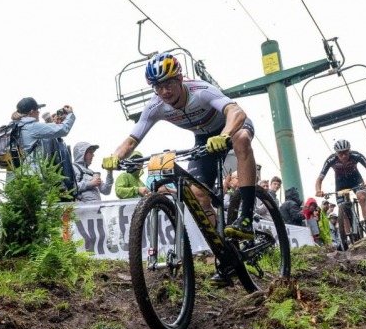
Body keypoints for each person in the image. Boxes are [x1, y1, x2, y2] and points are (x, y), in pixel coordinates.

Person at [102, 52, 257, 239]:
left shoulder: (200, 90)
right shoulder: (155, 106)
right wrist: (115, 157)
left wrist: (225, 135)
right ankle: (222, 247)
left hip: (231, 127)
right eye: (158, 87)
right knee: (198, 195)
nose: (165, 92)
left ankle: (246, 217)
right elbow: (132, 140)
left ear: (180, 79)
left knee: (241, 138)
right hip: (203, 138)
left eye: (169, 84)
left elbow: (236, 111)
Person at [10, 98, 76, 198]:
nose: (39, 113)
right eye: (37, 110)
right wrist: (70, 115)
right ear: (32, 112)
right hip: (33, 176)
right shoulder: (32, 127)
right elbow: (63, 130)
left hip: (19, 174)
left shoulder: (15, 126)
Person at [315, 139, 366, 236]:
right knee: (342, 210)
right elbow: (319, 179)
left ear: (349, 150)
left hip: (356, 180)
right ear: (336, 153)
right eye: (340, 153)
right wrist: (318, 190)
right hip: (340, 184)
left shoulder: (356, 155)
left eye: (346, 153)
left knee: (362, 198)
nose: (343, 156)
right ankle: (348, 235)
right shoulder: (331, 160)